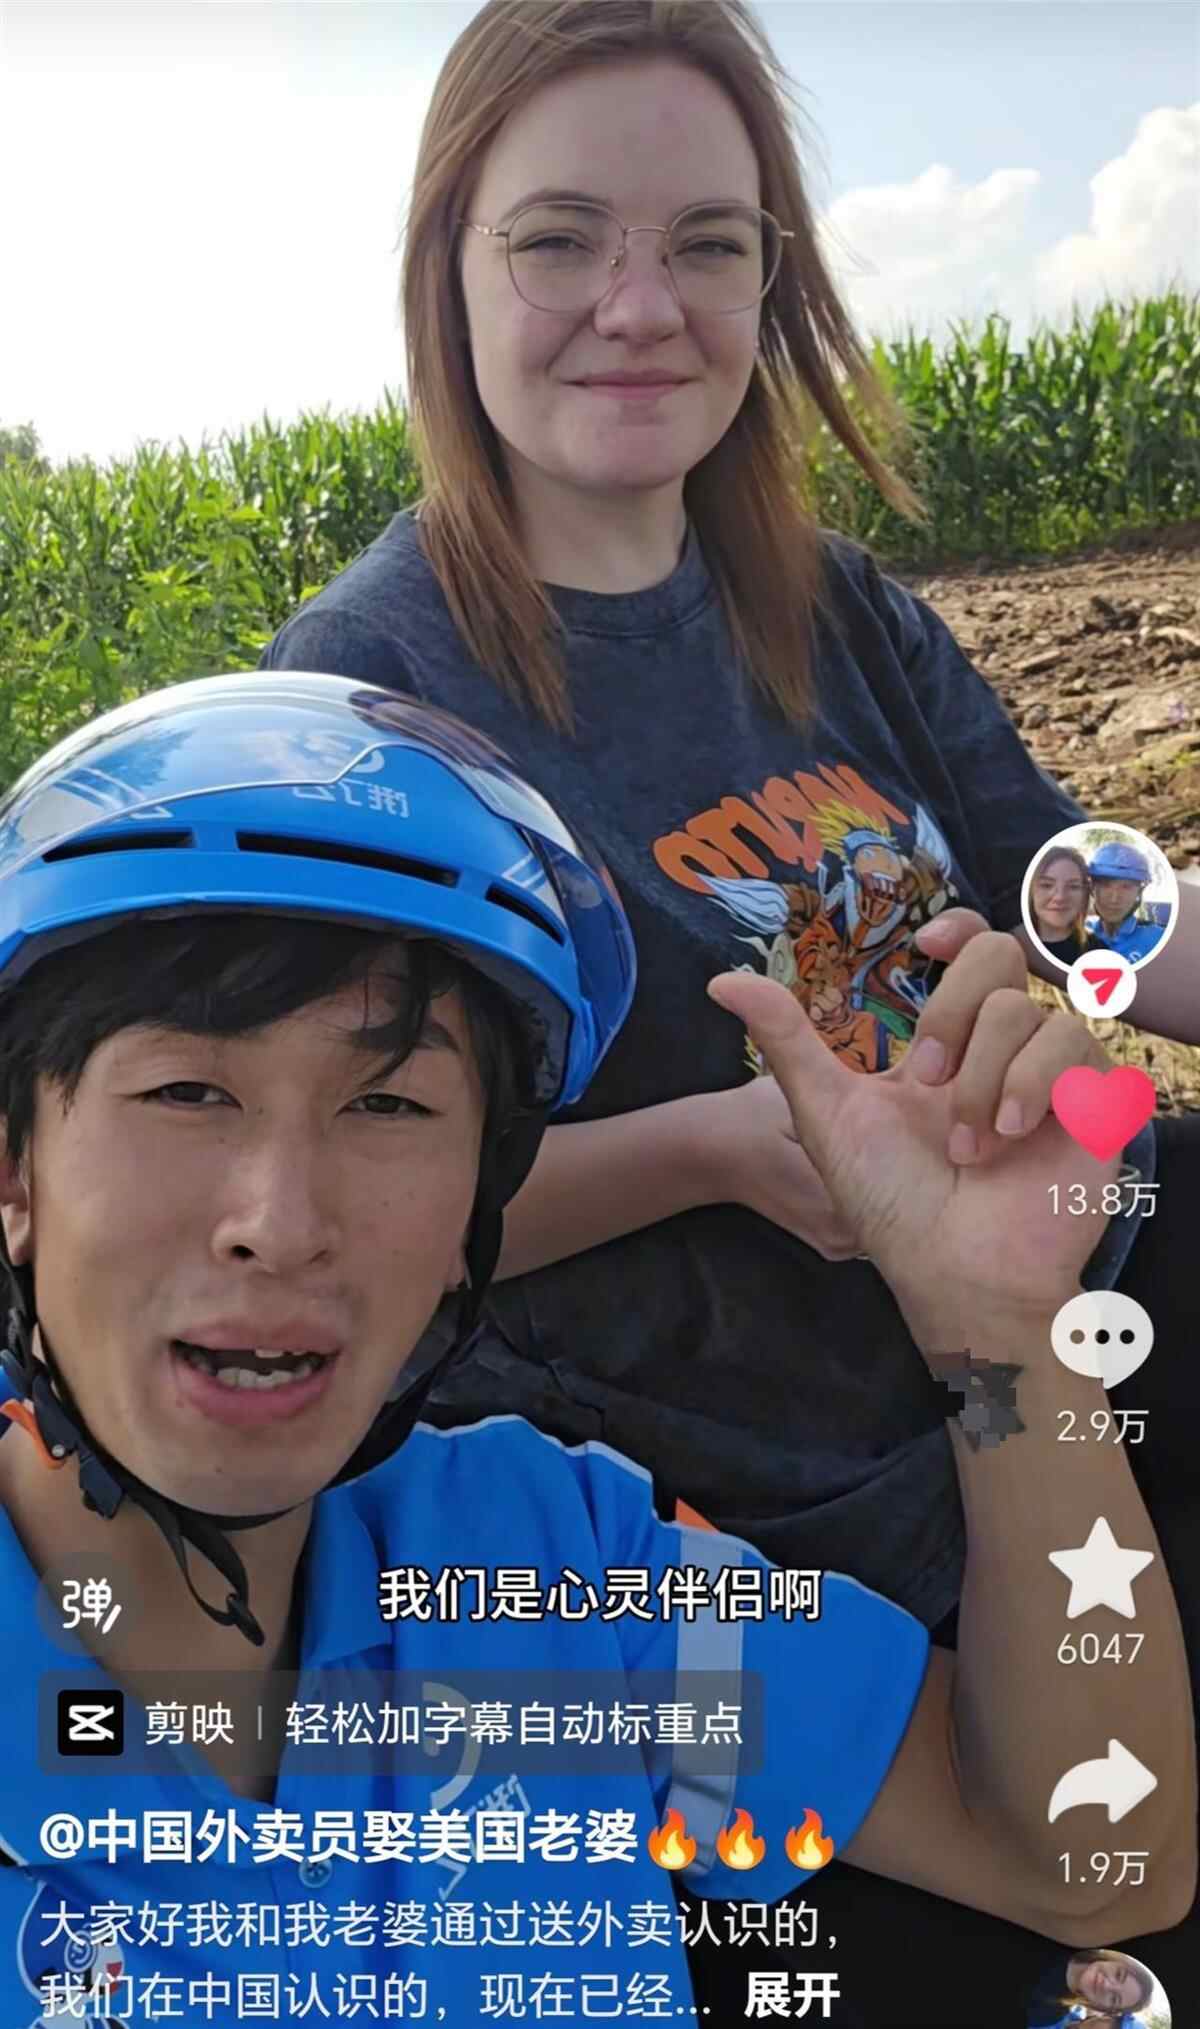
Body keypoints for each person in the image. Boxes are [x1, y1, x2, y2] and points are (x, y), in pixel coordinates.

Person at [254, 0, 1200, 2005]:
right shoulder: (368, 706)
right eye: (559, 238)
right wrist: (715, 1154)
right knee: (1114, 1918)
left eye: (708, 243)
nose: (641, 305)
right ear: (448, 272)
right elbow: (331, 1202)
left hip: (1044, 1299)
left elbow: (1063, 881)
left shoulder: (823, 593)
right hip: (751, 1491)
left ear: (775, 282)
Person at [0, 675, 1193, 2029]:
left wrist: (1003, 1328)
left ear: (476, 1202)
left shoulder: (545, 1568)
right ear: (16, 1173)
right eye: (185, 1091)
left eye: (389, 1104)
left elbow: (1091, 1860)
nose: (278, 1223)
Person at [1026, 1946, 1154, 2026]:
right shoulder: (1070, 1936)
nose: (1107, 1986)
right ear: (1114, 1960)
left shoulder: (1048, 2015)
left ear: (1104, 2008)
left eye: (1114, 1998)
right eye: (1118, 1975)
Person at [1086, 843, 1169, 964]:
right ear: (1092, 889)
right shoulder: (1079, 934)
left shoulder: (1158, 938)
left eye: (1126, 887)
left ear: (1139, 892)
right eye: (1105, 885)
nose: (1114, 899)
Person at [1028, 845, 1099, 966]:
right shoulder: (1011, 946)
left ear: (1084, 894)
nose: (1060, 897)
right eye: (1046, 885)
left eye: (1073, 887)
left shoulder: (1099, 953)